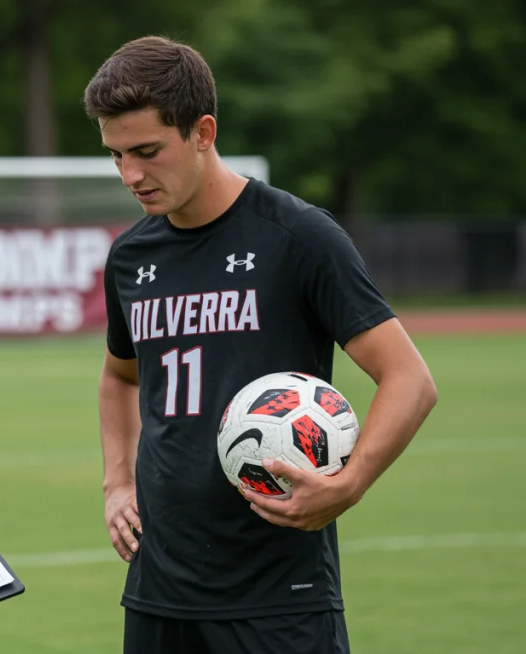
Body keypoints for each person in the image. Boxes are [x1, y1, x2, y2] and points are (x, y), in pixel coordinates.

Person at [87, 36, 438, 654]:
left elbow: (410, 379)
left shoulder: (298, 236)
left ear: (202, 130)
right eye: (116, 155)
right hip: (158, 584)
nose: (131, 175)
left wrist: (348, 485)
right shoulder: (131, 256)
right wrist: (118, 483)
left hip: (279, 591)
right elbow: (120, 377)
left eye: (146, 151)